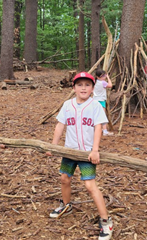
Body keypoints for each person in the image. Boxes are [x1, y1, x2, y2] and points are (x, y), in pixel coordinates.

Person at [48, 72, 113, 240]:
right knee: (64, 178)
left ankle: (106, 220)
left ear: (93, 88)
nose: (83, 88)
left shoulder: (95, 106)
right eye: (80, 85)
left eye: (87, 85)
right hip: (69, 151)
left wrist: (95, 150)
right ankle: (66, 205)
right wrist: (53, 146)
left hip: (87, 154)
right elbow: (60, 126)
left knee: (90, 185)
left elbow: (98, 128)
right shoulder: (67, 105)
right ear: (74, 87)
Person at [93, 69, 113, 136]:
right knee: (102, 116)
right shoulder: (103, 82)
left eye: (104, 75)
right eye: (102, 76)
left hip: (95, 100)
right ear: (98, 77)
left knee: (95, 115)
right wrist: (108, 78)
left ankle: (96, 129)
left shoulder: (95, 82)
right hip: (101, 101)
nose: (104, 77)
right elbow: (110, 85)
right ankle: (105, 131)